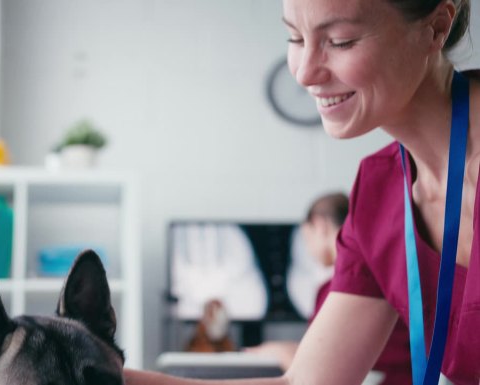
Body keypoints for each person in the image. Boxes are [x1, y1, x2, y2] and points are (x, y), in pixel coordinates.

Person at [124, 0, 479, 384]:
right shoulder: (379, 191)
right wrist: (99, 375)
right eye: (294, 37)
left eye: (341, 41)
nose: (305, 73)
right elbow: (307, 382)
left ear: (436, 27)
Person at [243, 192, 412, 385]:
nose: (308, 248)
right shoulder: (390, 275)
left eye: (306, 236)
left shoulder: (342, 289)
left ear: (320, 225)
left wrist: (281, 353)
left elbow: (319, 377)